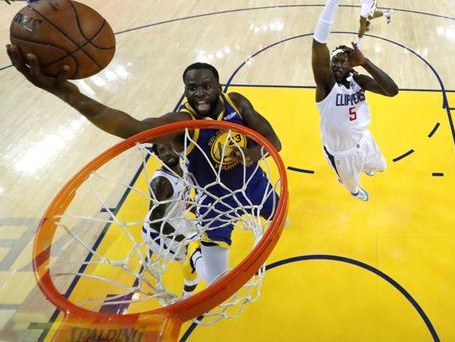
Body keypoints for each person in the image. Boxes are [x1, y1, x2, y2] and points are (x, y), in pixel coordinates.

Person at [3, 49, 282, 285]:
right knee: (217, 281)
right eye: (191, 88)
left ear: (218, 86)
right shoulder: (182, 122)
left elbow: (274, 141)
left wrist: (252, 153)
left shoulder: (237, 103)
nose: (199, 94)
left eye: (206, 86)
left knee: (283, 219)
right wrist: (70, 95)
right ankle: (193, 255)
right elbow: (134, 128)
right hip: (214, 204)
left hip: (255, 184)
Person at [311, 0, 399, 201]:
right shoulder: (326, 86)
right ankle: (354, 190)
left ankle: (368, 167)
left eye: (344, 60)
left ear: (351, 65)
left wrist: (366, 62)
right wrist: (333, 0)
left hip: (365, 141)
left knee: (381, 166)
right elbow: (318, 45)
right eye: (335, 60)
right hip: (341, 154)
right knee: (351, 184)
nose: (339, 64)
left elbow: (392, 91)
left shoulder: (358, 80)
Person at [142, 142, 199, 297]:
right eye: (162, 150)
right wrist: (185, 241)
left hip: (176, 220)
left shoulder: (185, 169)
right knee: (195, 256)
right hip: (157, 232)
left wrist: (199, 211)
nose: (167, 152)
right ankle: (186, 299)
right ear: (157, 156)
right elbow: (155, 220)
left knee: (207, 238)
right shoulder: (161, 182)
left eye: (170, 147)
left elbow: (184, 198)